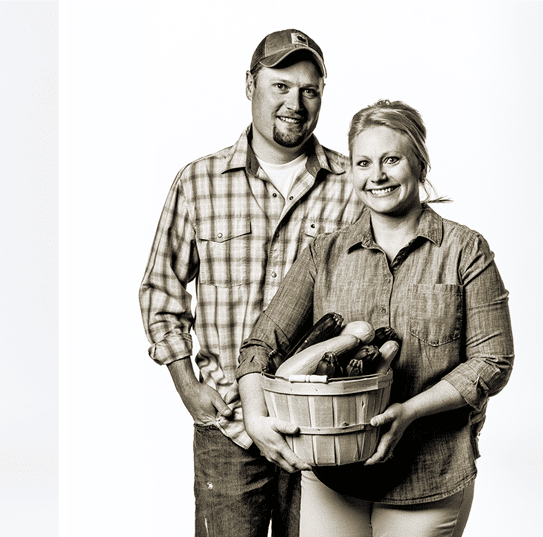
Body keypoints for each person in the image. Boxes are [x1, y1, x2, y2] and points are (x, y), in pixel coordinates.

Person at [236, 100, 514, 537]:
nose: (376, 175)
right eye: (363, 162)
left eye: (391, 159)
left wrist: (408, 412)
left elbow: (492, 362)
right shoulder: (324, 254)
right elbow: (260, 346)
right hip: (333, 475)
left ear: (419, 164)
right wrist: (255, 415)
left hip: (428, 477)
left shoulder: (465, 251)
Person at [139, 29, 364, 537]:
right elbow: (160, 289)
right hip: (228, 424)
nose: (295, 102)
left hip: (321, 424)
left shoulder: (353, 185)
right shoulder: (199, 181)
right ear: (250, 84)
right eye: (281, 85)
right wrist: (186, 385)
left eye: (310, 90)